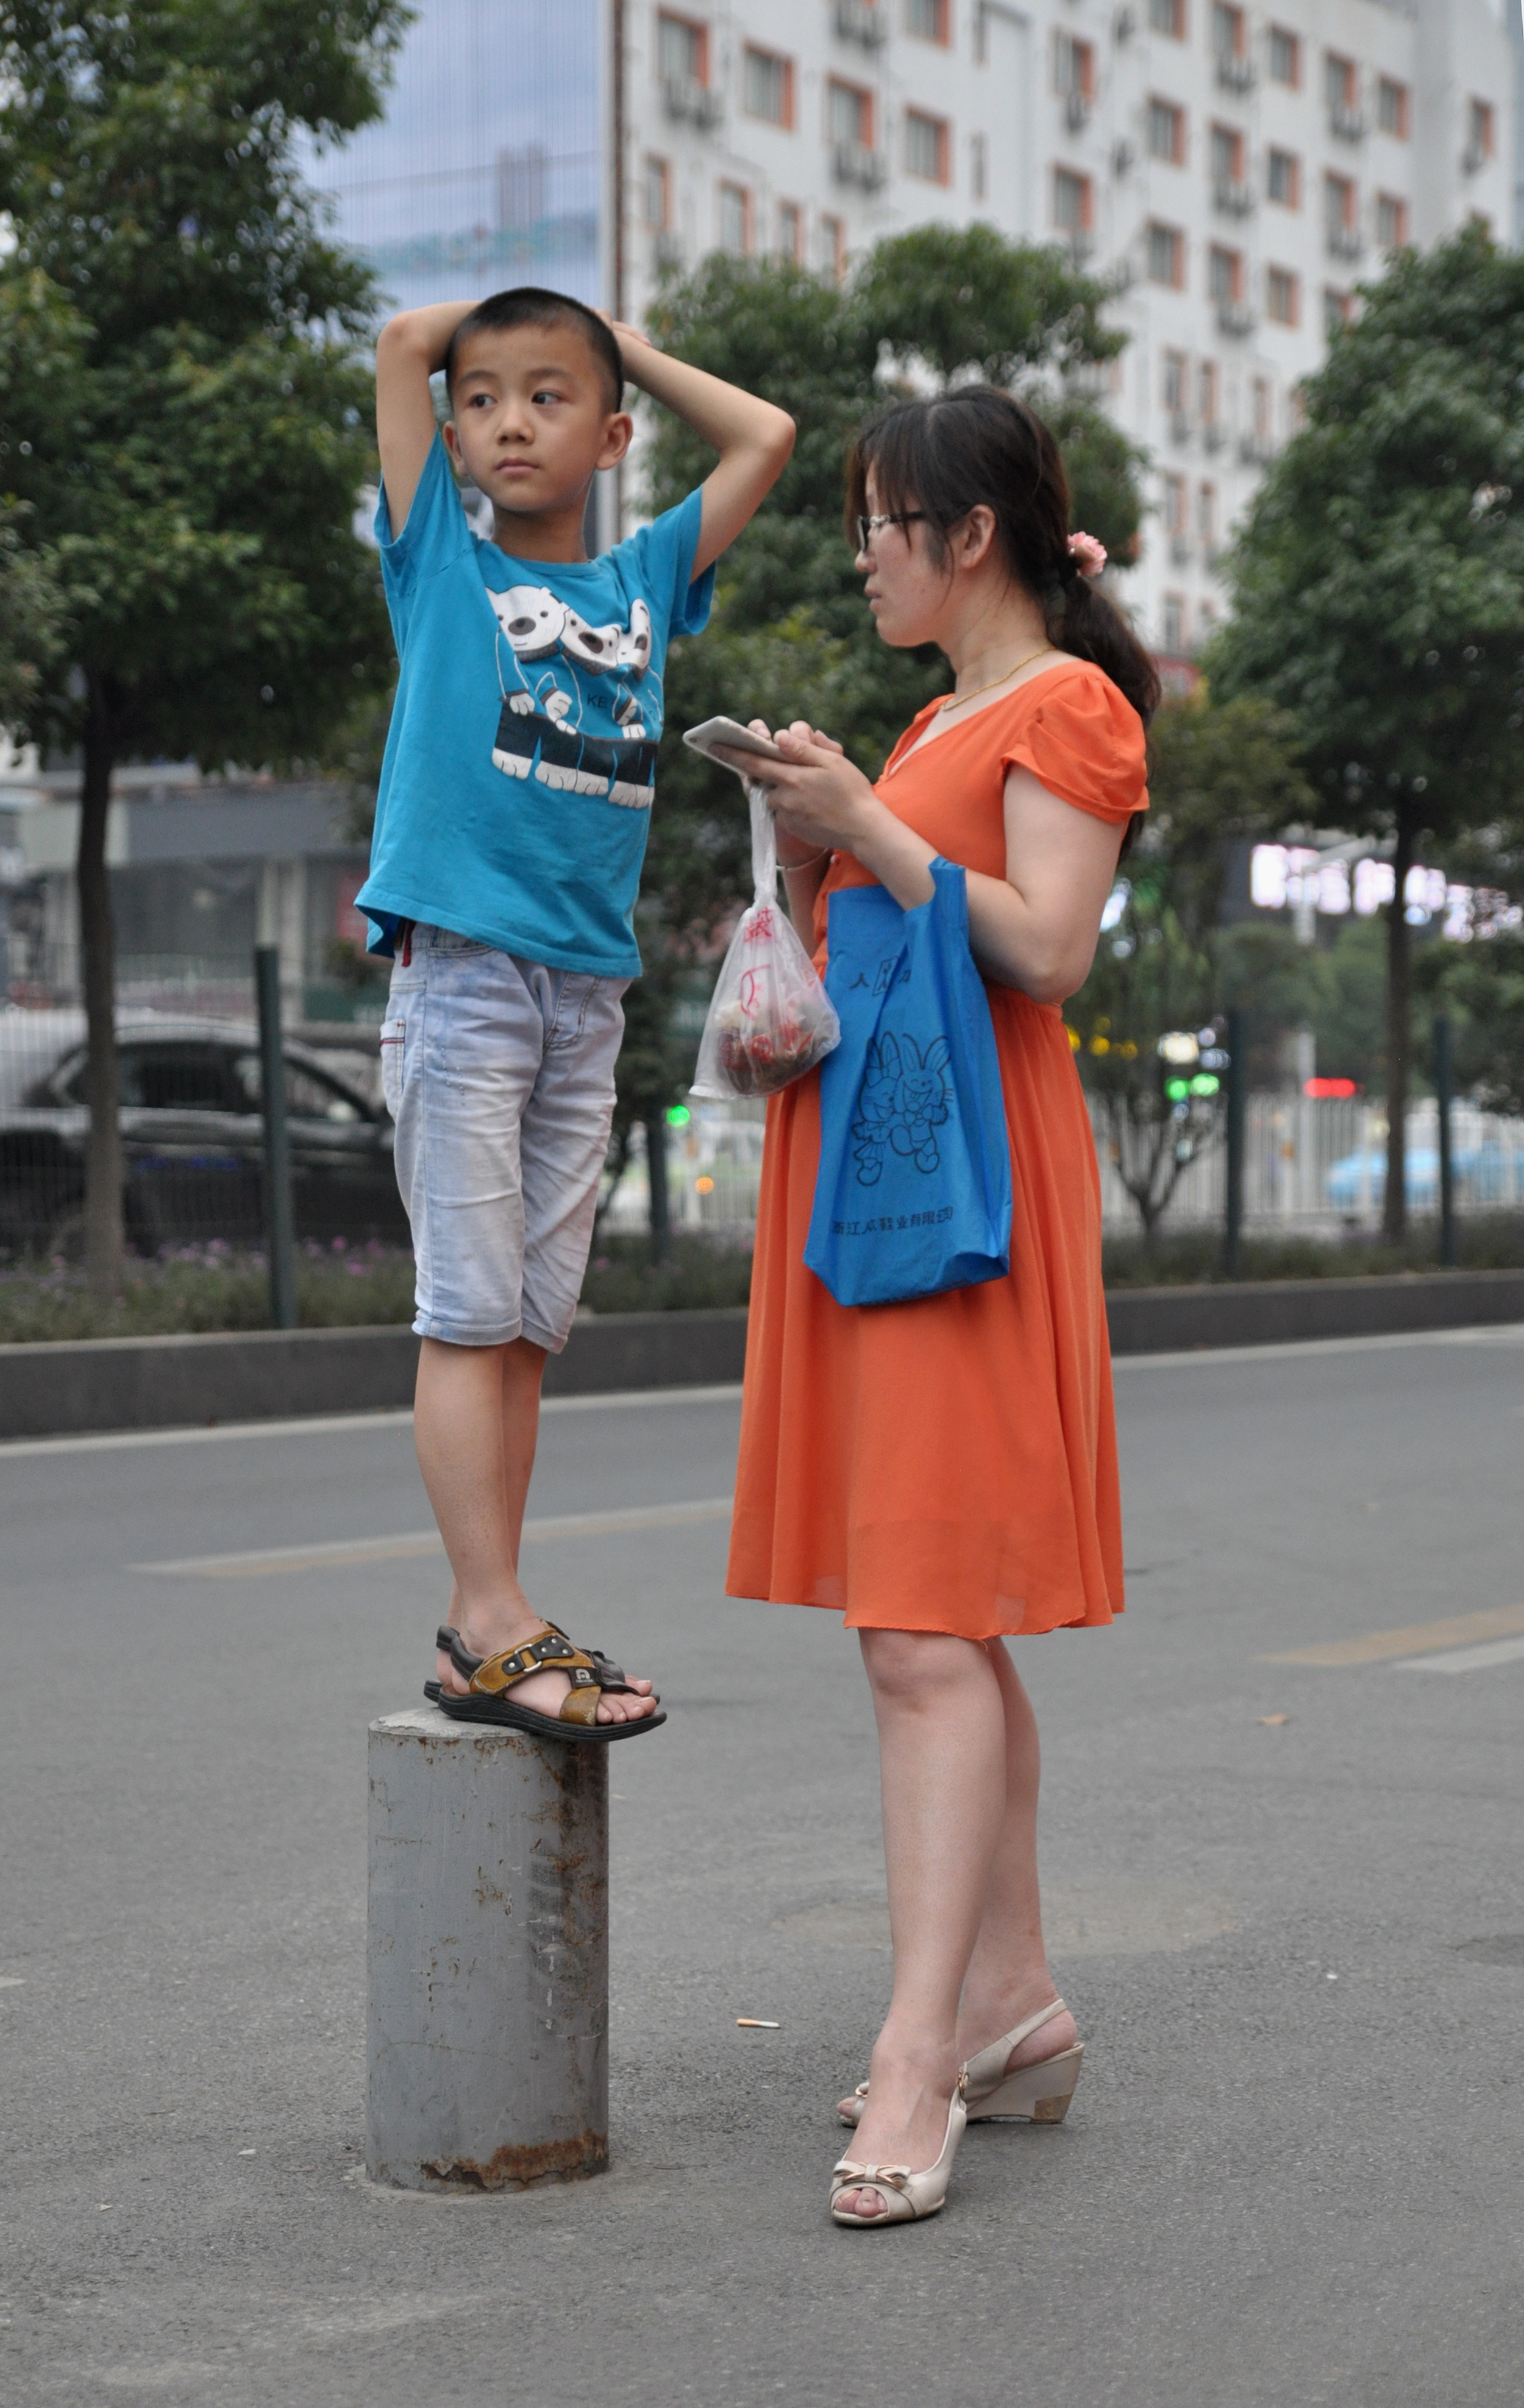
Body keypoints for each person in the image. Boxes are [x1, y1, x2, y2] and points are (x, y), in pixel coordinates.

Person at [719, 386, 1158, 2218]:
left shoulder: (1068, 704)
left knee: (919, 1622)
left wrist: (863, 830)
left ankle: (923, 2058)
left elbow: (1046, 947)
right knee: (933, 1622)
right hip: (891, 1174)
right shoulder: (938, 716)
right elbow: (916, 929)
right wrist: (816, 841)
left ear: (963, 534)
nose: (864, 554)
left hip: (960, 1195)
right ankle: (1008, 2004)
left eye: (880, 526)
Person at [360, 287, 793, 1741]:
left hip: (585, 996)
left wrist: (622, 349)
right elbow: (399, 347)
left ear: (610, 434)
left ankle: (494, 1611)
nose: (505, 421)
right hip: (469, 975)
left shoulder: (642, 578)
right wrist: (473, 346)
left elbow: (765, 434)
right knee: (468, 1314)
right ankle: (488, 1617)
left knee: (532, 1329)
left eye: (548, 398)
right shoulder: (439, 565)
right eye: (481, 401)